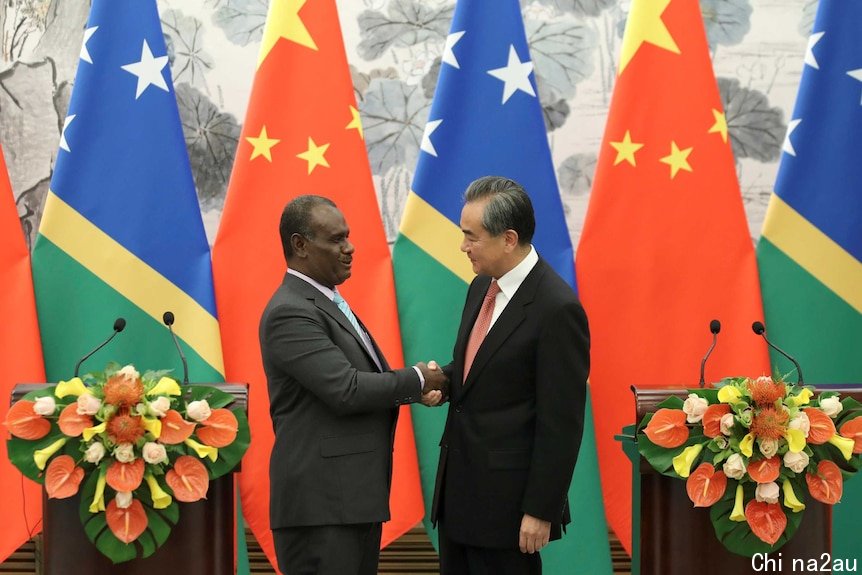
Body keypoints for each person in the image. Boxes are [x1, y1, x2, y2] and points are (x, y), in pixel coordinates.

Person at [259, 195, 447, 575]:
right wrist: (416, 378)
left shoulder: (325, 302)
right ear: (300, 245)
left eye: (348, 236)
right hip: (321, 509)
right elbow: (346, 390)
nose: (350, 248)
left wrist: (416, 389)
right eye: (336, 239)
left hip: (349, 502)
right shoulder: (290, 311)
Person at [431, 176, 590, 575]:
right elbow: (486, 370)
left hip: (508, 513)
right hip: (458, 501)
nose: (463, 246)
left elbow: (562, 423)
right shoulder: (481, 286)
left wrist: (540, 510)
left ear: (508, 238)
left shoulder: (557, 309)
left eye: (471, 236)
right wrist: (443, 383)